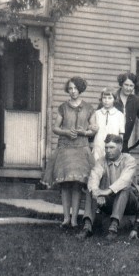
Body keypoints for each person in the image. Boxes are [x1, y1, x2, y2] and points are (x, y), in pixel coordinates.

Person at [41, 76, 97, 228]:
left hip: (81, 148)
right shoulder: (63, 107)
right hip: (65, 148)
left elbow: (94, 129)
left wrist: (84, 132)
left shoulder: (89, 108)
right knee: (65, 184)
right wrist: (65, 132)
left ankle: (74, 220)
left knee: (77, 184)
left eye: (75, 88)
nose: (73, 91)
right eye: (70, 88)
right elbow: (55, 128)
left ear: (80, 89)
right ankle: (66, 218)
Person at [78, 134, 139, 240]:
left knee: (124, 188)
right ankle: (87, 227)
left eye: (112, 147)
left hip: (129, 203)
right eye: (106, 147)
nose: (108, 151)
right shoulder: (101, 161)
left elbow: (124, 180)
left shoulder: (129, 160)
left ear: (120, 147)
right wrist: (96, 192)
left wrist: (105, 192)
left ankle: (113, 228)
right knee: (91, 188)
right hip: (110, 201)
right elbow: (94, 176)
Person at [113, 72, 139, 154]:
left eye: (131, 86)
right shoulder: (112, 97)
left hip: (124, 142)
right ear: (121, 84)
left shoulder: (134, 100)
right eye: (126, 85)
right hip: (109, 139)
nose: (128, 88)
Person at [90, 87, 125, 162]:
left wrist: (119, 148)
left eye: (109, 98)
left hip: (112, 147)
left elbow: (121, 134)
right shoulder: (97, 113)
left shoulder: (119, 115)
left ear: (114, 99)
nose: (106, 100)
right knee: (97, 165)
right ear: (101, 99)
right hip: (98, 145)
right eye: (104, 98)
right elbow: (92, 129)